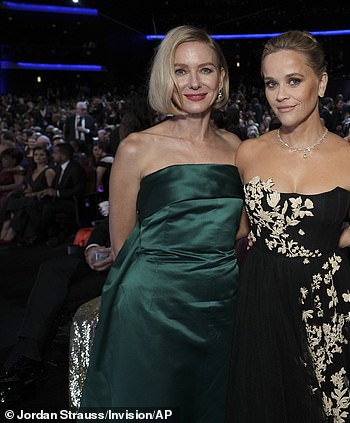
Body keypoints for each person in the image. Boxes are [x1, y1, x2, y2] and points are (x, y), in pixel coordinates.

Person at [79, 25, 246, 422]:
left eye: (205, 70)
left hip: (222, 305)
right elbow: (121, 246)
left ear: (221, 78)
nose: (193, 83)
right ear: (165, 78)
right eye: (181, 71)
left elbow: (243, 229)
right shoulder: (136, 148)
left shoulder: (240, 148)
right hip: (153, 308)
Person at [227, 30, 350, 422]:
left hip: (327, 301)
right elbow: (236, 231)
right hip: (263, 296)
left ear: (322, 82)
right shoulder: (248, 152)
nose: (280, 94)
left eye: (294, 80)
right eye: (271, 83)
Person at [0, 219, 111, 403]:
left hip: (128, 261)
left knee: (61, 296)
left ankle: (27, 366)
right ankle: (26, 358)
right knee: (51, 269)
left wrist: (119, 252)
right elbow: (104, 226)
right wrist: (92, 247)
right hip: (105, 256)